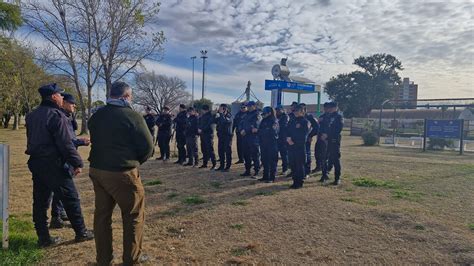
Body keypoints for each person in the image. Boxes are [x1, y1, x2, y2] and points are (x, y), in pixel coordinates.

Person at [88, 81, 154, 265]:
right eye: (130, 96)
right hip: (122, 173)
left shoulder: (97, 115)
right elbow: (148, 147)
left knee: (102, 216)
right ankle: (131, 259)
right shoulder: (132, 116)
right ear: (126, 96)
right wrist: (134, 161)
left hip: (97, 169)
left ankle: (103, 259)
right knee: (133, 216)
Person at [25, 83, 93, 247]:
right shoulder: (56, 115)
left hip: (36, 162)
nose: (62, 97)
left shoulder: (32, 115)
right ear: (54, 96)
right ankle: (81, 232)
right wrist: (77, 162)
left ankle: (43, 238)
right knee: (71, 198)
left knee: (40, 202)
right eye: (60, 95)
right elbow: (66, 144)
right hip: (54, 164)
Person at [49, 93, 91, 229]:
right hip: (63, 158)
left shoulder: (67, 116)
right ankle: (56, 216)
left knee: (61, 188)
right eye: (72, 103)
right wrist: (81, 141)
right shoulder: (60, 117)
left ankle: (59, 212)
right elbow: (65, 140)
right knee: (63, 189)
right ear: (64, 102)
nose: (74, 105)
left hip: (66, 156)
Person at [320, 102, 344, 185]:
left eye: (332, 107)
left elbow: (338, 129)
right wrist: (323, 134)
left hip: (334, 140)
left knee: (335, 159)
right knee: (324, 158)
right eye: (329, 107)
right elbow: (324, 126)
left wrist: (328, 134)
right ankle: (324, 175)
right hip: (326, 140)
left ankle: (337, 178)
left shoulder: (339, 117)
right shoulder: (327, 116)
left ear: (336, 107)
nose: (329, 109)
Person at [286, 104, 309, 189]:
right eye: (294, 111)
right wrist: (288, 138)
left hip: (299, 146)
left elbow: (304, 135)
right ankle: (295, 181)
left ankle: (299, 182)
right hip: (291, 145)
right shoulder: (292, 120)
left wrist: (294, 142)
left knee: (299, 165)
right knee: (293, 164)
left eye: (297, 111)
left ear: (302, 111)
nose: (295, 112)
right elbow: (287, 130)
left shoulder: (304, 121)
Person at [240, 101, 261, 177]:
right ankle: (247, 170)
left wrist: (246, 130)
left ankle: (256, 171)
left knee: (255, 155)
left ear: (254, 106)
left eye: (249, 106)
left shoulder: (257, 115)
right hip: (245, 138)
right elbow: (241, 123)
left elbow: (255, 126)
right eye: (247, 106)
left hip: (253, 138)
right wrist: (241, 129)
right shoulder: (246, 114)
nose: (248, 107)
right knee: (246, 155)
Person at [258, 106, 279, 183]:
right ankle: (265, 176)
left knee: (272, 161)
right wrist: (263, 131)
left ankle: (272, 177)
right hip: (264, 143)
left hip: (272, 143)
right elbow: (259, 130)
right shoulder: (263, 120)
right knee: (264, 160)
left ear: (270, 113)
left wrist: (263, 131)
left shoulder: (274, 121)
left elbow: (272, 132)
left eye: (265, 113)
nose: (263, 115)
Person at [300, 103, 319, 178]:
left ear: (305, 110)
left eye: (301, 109)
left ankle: (307, 172)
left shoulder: (309, 117)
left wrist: (310, 135)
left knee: (306, 155)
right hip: (298, 140)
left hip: (306, 139)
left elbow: (316, 127)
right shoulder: (297, 117)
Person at [198, 104, 217, 169]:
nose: (202, 111)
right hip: (203, 135)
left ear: (205, 110)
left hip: (208, 135)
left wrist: (202, 129)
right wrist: (199, 128)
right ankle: (204, 164)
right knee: (204, 150)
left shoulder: (210, 116)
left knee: (210, 150)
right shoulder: (203, 116)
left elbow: (209, 125)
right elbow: (200, 123)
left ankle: (214, 164)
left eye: (202, 110)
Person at [215, 104, 233, 171]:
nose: (219, 110)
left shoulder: (229, 116)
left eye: (221, 109)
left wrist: (221, 114)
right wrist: (216, 115)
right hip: (221, 136)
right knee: (221, 151)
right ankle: (221, 165)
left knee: (227, 151)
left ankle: (228, 166)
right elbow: (215, 121)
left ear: (225, 109)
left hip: (227, 136)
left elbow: (225, 121)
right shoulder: (220, 115)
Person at [313, 103, 330, 173]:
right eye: (325, 108)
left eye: (327, 108)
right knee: (317, 152)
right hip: (319, 137)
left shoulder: (331, 117)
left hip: (326, 138)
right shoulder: (322, 116)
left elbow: (331, 128)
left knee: (325, 154)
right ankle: (318, 166)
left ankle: (325, 169)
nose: (325, 109)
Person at [285, 101, 299, 178]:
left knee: (298, 159)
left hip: (298, 141)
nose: (292, 107)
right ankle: (292, 171)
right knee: (291, 157)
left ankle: (299, 173)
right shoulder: (290, 116)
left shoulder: (303, 118)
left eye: (294, 106)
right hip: (290, 139)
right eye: (292, 106)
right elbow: (288, 127)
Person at [276, 105, 289, 175]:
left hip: (283, 138)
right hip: (277, 138)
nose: (277, 112)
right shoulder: (277, 117)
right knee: (275, 154)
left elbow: (283, 126)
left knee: (284, 154)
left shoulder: (285, 117)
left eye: (278, 110)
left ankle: (285, 169)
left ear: (282, 110)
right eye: (276, 110)